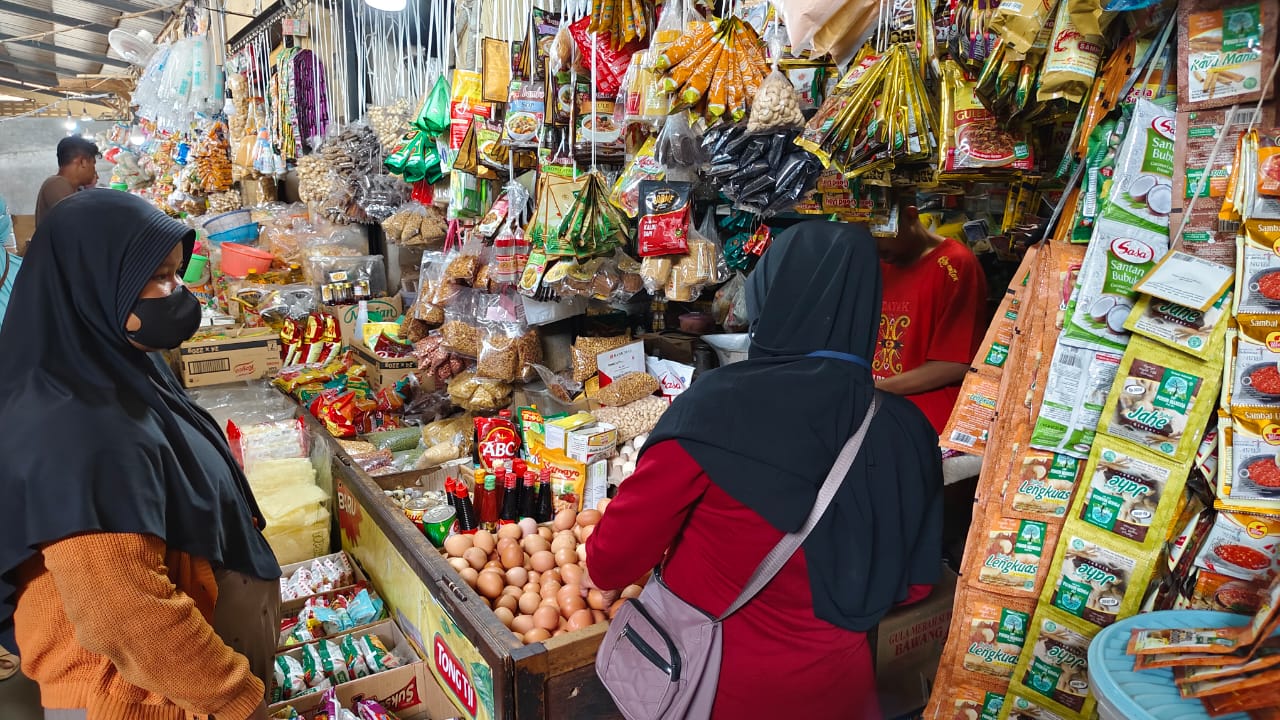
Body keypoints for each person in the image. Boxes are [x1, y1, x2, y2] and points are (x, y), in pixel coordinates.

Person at [583, 220, 944, 719]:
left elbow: (610, 563)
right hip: (845, 696)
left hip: (720, 690)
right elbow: (917, 586)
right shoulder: (910, 432)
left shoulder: (717, 408)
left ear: (773, 294)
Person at [0, 190, 281, 720]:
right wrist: (238, 702)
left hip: (173, 685)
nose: (176, 293)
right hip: (134, 699)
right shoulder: (72, 428)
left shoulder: (108, 358)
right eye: (156, 277)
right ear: (94, 285)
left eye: (177, 273)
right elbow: (121, 611)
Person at [873, 188, 987, 434]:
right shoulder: (877, 264)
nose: (875, 245)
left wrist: (872, 390)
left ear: (911, 216)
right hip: (877, 415)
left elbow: (957, 362)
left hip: (927, 423)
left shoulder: (955, 264)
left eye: (880, 234)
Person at [35, 136, 99, 227]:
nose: (94, 171)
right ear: (83, 162)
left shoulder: (71, 187)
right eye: (93, 164)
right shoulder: (57, 184)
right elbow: (78, 223)